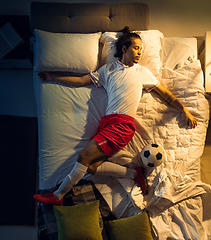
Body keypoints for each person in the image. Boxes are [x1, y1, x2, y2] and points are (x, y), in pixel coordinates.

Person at [33, 27, 197, 205]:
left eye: (141, 49)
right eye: (136, 48)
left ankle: (58, 195)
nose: (140, 52)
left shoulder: (142, 72)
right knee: (92, 167)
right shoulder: (108, 70)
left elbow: (167, 95)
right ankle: (134, 173)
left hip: (122, 126)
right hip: (107, 124)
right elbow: (81, 81)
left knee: (83, 157)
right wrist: (53, 76)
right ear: (124, 49)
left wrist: (184, 110)